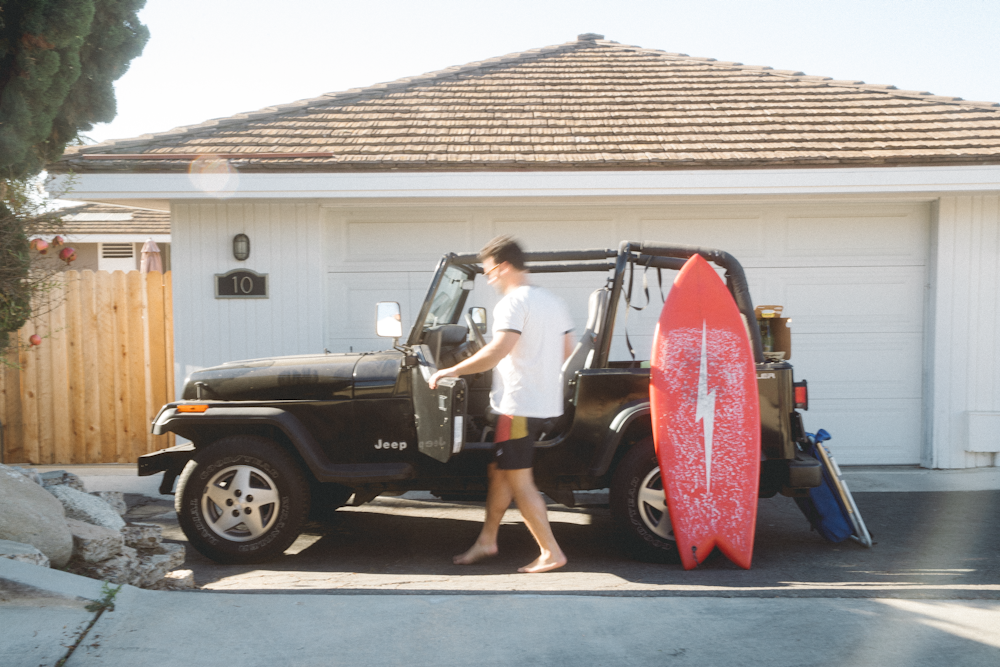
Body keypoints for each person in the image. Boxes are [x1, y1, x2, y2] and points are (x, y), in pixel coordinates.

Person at [428, 235, 573, 573]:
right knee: (500, 472)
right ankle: (487, 540)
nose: (489, 278)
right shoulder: (552, 301)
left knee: (520, 480)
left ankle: (551, 551)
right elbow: (568, 351)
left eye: (489, 272)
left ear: (504, 267)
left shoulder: (512, 302)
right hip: (541, 404)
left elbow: (498, 350)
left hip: (517, 405)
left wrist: (451, 370)